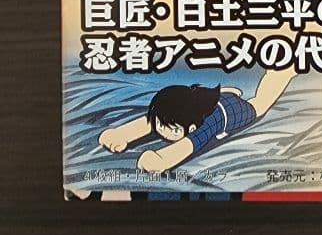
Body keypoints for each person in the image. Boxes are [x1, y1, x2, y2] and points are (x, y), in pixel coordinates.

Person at [98, 70, 288, 173]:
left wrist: (160, 160)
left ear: (191, 128)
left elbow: (185, 147)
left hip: (230, 111)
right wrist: (121, 134)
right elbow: (150, 121)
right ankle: (225, 93)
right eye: (161, 126)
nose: (162, 131)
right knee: (169, 115)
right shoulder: (174, 111)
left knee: (259, 104)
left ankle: (281, 74)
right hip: (209, 100)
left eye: (173, 130)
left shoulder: (202, 127)